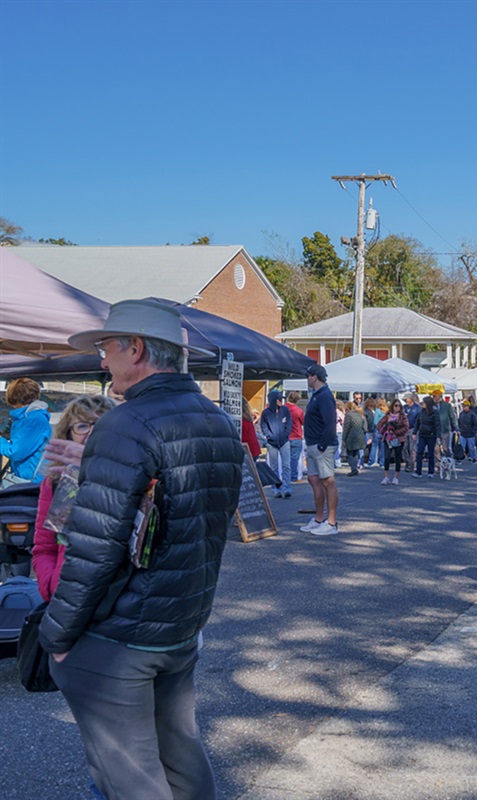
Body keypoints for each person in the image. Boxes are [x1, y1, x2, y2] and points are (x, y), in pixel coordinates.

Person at [39, 299, 242, 800]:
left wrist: (57, 636)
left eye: (107, 347)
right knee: (181, 756)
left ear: (136, 348)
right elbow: (185, 515)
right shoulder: (216, 420)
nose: (102, 360)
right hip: (181, 623)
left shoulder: (127, 423)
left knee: (131, 780)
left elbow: (94, 547)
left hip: (121, 636)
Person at [32, 395, 117, 602]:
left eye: (100, 425)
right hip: (66, 599)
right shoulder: (56, 482)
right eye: (82, 426)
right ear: (68, 434)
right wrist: (51, 586)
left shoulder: (131, 479)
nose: (90, 433)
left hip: (114, 603)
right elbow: (44, 547)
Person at [300, 364, 339, 535]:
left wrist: (323, 445)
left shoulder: (324, 396)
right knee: (314, 480)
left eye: (308, 376)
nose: (307, 379)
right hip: (313, 443)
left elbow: (330, 422)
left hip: (322, 445)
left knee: (327, 481)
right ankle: (318, 519)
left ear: (315, 377)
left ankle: (331, 523)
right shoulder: (317, 395)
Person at [0, 377, 51, 487]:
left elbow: (15, 452)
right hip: (25, 479)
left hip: (31, 482)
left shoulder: (33, 420)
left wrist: (1, 441)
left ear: (13, 397)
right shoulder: (28, 417)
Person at [260, 390, 293, 498]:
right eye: (279, 399)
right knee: (274, 467)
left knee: (286, 466)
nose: (281, 401)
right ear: (274, 400)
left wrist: (286, 435)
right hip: (272, 443)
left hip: (284, 441)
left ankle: (287, 488)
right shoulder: (266, 413)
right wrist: (269, 436)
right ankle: (276, 489)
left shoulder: (285, 410)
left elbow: (289, 424)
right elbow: (263, 426)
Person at [377, 398, 410, 485]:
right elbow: (379, 424)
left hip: (399, 439)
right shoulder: (388, 415)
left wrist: (395, 432)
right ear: (392, 406)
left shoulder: (403, 416)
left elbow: (406, 427)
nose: (397, 407)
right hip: (388, 439)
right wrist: (384, 431)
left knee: (397, 458)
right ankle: (386, 477)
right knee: (387, 457)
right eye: (396, 405)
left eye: (399, 406)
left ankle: (396, 477)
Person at [413, 395, 440, 477]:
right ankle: (418, 471)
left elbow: (437, 425)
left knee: (431, 453)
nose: (422, 404)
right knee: (420, 452)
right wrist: (414, 432)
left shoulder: (435, 413)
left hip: (431, 435)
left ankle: (431, 472)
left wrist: (438, 435)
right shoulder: (421, 412)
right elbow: (417, 422)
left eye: (423, 402)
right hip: (422, 434)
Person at [342, 400, 367, 476]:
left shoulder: (348, 415)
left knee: (350, 453)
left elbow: (346, 428)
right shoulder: (360, 415)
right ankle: (355, 468)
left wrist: (343, 438)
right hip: (360, 436)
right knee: (356, 453)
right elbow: (364, 427)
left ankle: (353, 469)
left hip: (351, 436)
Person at [285, 390, 305, 482]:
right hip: (296, 435)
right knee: (294, 459)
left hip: (284, 436)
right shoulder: (299, 411)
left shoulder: (282, 409)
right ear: (297, 400)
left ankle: (284, 476)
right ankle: (293, 476)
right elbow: (303, 422)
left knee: (284, 458)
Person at [434, 392, 457, 462]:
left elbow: (452, 417)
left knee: (445, 448)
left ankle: (449, 460)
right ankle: (439, 464)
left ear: (439, 396)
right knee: (436, 449)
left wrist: (456, 427)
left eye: (434, 396)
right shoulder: (432, 406)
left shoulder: (447, 405)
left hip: (445, 429)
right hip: (435, 430)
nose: (433, 398)